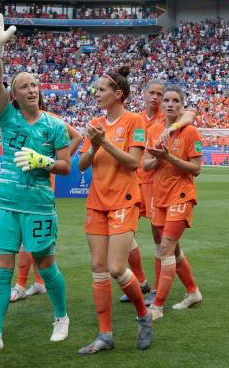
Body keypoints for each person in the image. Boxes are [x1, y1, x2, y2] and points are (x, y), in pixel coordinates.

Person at [0, 12, 71, 356]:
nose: (31, 89)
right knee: (1, 273)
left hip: (39, 205)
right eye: (24, 85)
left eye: (34, 85)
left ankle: (61, 317)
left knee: (46, 265)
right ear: (14, 93)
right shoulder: (5, 115)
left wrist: (43, 162)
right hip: (3, 204)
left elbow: (66, 167)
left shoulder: (54, 126)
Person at [77, 66, 152, 354]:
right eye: (96, 90)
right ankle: (105, 335)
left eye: (101, 90)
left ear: (118, 94)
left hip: (124, 199)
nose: (96, 94)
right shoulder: (95, 122)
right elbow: (82, 165)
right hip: (97, 201)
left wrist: (103, 142)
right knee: (98, 268)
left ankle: (143, 316)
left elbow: (134, 163)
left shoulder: (134, 120)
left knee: (117, 268)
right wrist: (94, 147)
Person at [123, 79, 196, 305]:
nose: (156, 98)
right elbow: (143, 160)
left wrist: (173, 128)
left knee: (163, 242)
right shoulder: (138, 119)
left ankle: (156, 292)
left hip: (164, 187)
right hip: (143, 184)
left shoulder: (171, 120)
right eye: (153, 94)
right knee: (138, 236)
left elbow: (190, 114)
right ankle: (145, 282)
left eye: (160, 94)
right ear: (144, 95)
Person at [10, 93, 83, 302]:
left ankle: (20, 285)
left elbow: (77, 136)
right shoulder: (16, 119)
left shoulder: (51, 119)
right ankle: (39, 283)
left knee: (27, 237)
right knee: (34, 237)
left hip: (40, 186)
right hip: (20, 185)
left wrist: (55, 160)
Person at [143, 85, 202, 320]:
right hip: (159, 196)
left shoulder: (190, 132)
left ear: (181, 105)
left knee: (165, 246)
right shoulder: (155, 129)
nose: (169, 104)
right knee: (172, 250)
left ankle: (156, 306)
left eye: (175, 101)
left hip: (181, 194)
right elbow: (145, 165)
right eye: (166, 100)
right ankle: (193, 292)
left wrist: (169, 157)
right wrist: (158, 157)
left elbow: (196, 169)